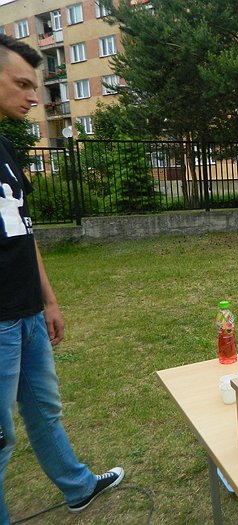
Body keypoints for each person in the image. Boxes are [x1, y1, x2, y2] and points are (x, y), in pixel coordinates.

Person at [0, 35, 124, 524]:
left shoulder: (5, 149)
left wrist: (48, 301)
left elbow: (24, 233)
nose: (34, 97)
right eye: (22, 84)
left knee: (43, 410)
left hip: (28, 312)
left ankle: (78, 487)